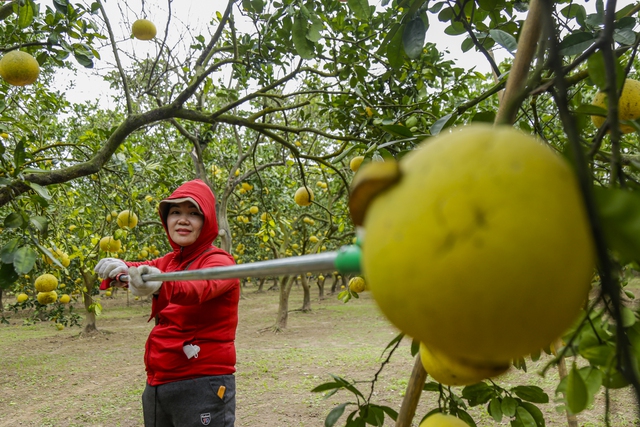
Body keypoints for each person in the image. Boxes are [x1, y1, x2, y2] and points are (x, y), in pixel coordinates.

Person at [94, 179, 239, 427]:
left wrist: (161, 284)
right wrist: (121, 268)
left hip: (202, 381)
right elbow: (143, 268)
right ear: (166, 219)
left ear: (207, 222)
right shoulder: (171, 261)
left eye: (193, 213)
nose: (183, 219)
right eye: (175, 212)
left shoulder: (220, 263)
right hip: (159, 381)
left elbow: (198, 286)